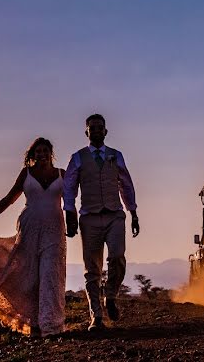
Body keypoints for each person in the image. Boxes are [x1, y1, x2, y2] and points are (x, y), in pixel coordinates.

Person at [0, 137, 67, 338]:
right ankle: (34, 324)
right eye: (38, 151)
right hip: (29, 228)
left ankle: (52, 325)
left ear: (51, 153)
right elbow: (9, 199)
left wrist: (73, 222)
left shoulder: (62, 174)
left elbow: (69, 202)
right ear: (32, 155)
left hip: (54, 229)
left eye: (45, 151)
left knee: (51, 275)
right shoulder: (26, 174)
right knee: (30, 276)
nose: (42, 154)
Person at [63, 113, 140, 331]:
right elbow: (69, 187)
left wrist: (133, 212)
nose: (96, 130)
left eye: (100, 127)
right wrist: (69, 213)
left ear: (106, 131)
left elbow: (126, 184)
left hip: (115, 214)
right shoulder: (78, 158)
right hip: (89, 217)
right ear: (86, 132)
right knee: (92, 269)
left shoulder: (117, 156)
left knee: (117, 257)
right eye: (92, 127)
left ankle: (111, 295)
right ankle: (96, 317)